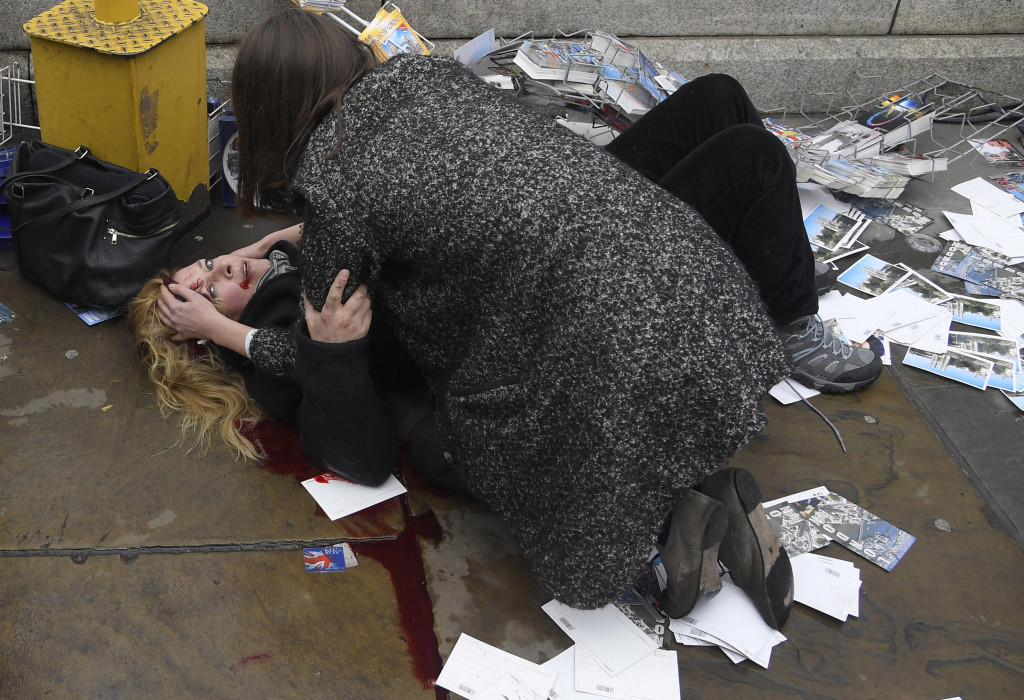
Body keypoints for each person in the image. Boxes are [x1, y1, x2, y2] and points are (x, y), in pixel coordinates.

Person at [135, 6, 890, 628]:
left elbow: (353, 261)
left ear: (268, 111)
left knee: (493, 454)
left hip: (596, 311)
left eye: (205, 265)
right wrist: (244, 303)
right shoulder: (419, 77)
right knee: (728, 125)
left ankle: (671, 522)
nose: (216, 266)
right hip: (700, 281)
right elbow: (344, 343)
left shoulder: (332, 205)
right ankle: (692, 494)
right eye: (203, 283)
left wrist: (251, 283)